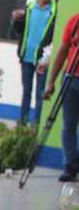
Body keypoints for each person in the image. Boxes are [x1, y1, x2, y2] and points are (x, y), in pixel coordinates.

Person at [12, 0, 56, 126]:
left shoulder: (53, 11)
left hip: (42, 59)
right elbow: (20, 30)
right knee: (26, 91)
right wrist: (16, 20)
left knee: (40, 93)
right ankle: (23, 122)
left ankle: (36, 124)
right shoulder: (30, 8)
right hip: (26, 57)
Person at [44, 11, 79, 182]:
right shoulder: (74, 21)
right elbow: (62, 52)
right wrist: (50, 82)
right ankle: (70, 165)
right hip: (71, 79)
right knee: (68, 125)